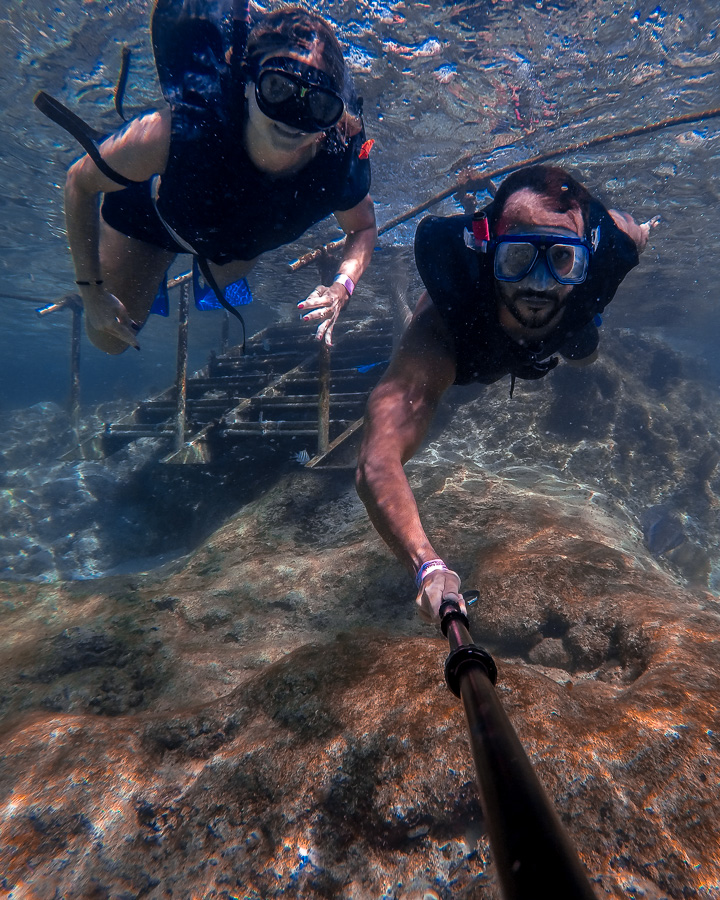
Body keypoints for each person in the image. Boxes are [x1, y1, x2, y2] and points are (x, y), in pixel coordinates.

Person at [356, 165, 656, 625]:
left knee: (584, 353)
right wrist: (429, 569)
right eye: (517, 259)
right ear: (489, 252)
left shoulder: (608, 254)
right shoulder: (445, 322)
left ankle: (578, 314)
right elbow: (377, 461)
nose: (537, 285)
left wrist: (639, 236)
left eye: (561, 259)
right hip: (476, 351)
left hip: (566, 331)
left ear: (585, 258)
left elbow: (627, 234)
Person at [61, 2, 377, 354]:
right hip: (155, 220)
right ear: (246, 82)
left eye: (317, 106)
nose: (293, 119)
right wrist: (91, 293)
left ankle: (201, 269)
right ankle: (148, 263)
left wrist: (342, 288)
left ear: (332, 116)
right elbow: (79, 182)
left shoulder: (336, 165)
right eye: (277, 88)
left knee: (232, 261)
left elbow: (362, 227)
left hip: (236, 241)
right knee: (107, 340)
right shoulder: (181, 132)